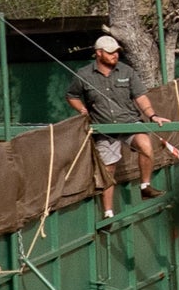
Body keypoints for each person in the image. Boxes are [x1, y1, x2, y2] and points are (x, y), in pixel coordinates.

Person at [67, 32, 166, 218]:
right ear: (99, 53)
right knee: (108, 168)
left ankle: (145, 186)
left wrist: (153, 116)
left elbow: (141, 97)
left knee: (146, 146)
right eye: (111, 52)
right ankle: (108, 212)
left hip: (129, 121)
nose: (115, 55)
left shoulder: (127, 72)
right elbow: (71, 96)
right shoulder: (84, 75)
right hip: (104, 128)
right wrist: (82, 110)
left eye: (117, 52)